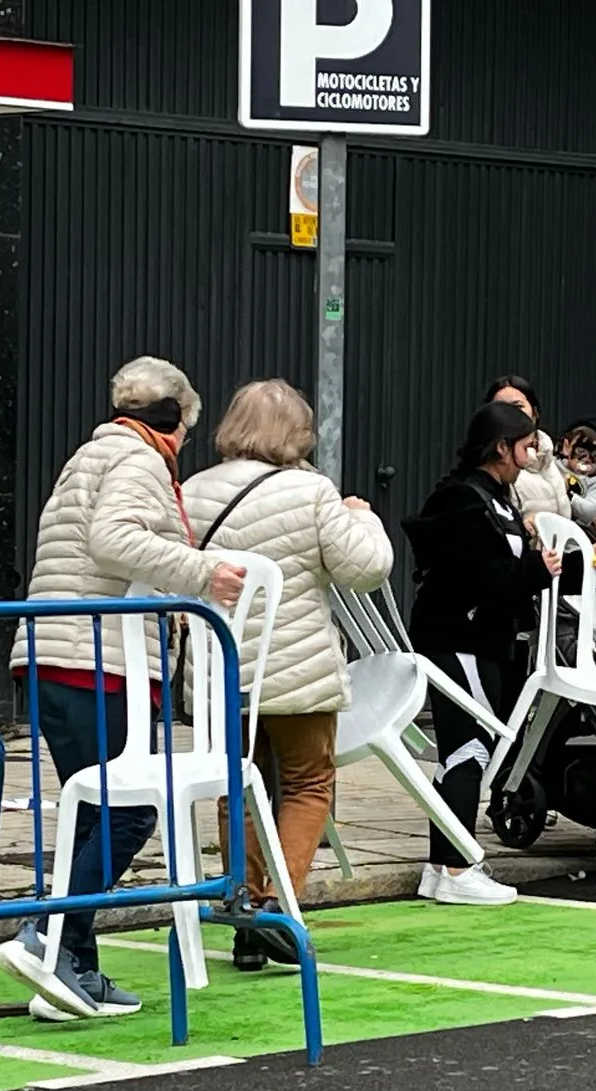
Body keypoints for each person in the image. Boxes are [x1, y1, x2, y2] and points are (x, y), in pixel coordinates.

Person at [0, 357, 247, 1019]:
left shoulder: (92, 455)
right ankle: (49, 938)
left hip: (53, 656)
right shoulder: (139, 463)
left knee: (94, 815)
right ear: (173, 421)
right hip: (97, 662)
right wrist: (201, 572)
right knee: (128, 812)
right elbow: (113, 541)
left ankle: (74, 967)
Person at [184, 379, 394, 969]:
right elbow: (367, 569)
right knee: (306, 784)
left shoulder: (195, 490)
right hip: (297, 674)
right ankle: (279, 908)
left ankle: (245, 912)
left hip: (223, 673)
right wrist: (363, 517)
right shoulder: (313, 491)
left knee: (237, 789)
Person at [404, 401, 564, 903]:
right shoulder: (467, 501)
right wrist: (541, 570)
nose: (533, 453)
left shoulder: (490, 496)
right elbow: (486, 578)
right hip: (461, 638)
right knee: (468, 745)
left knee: (466, 746)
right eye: (526, 444)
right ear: (501, 448)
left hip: (476, 638)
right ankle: (454, 868)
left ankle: (442, 865)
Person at [485, 375, 573, 525]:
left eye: (518, 407)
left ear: (535, 412)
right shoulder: (494, 467)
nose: (510, 415)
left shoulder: (549, 460)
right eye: (501, 408)